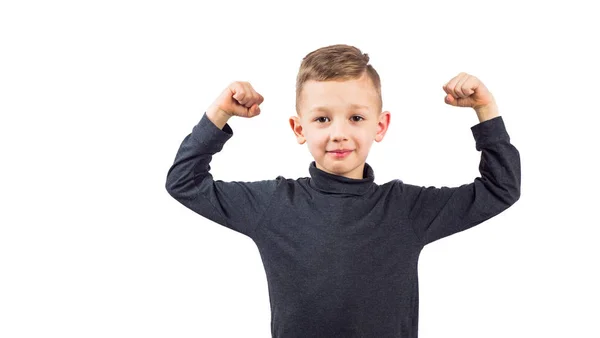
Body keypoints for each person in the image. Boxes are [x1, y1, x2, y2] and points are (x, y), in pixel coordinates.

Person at [165, 44, 521, 338]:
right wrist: (219, 113)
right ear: (298, 127)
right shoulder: (272, 205)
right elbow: (184, 181)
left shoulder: (406, 209)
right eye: (322, 119)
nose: (338, 133)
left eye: (356, 118)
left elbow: (500, 189)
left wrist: (485, 109)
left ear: (380, 126)